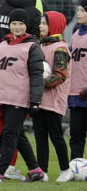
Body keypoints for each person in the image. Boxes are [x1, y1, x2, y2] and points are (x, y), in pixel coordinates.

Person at [0, 8, 45, 183]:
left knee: (10, 134)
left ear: (27, 26)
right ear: (9, 25)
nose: (17, 27)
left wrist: (35, 101)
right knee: (17, 135)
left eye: (20, 24)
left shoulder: (32, 47)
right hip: (2, 97)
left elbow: (37, 76)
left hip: (19, 98)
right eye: (14, 23)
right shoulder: (2, 45)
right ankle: (35, 170)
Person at [34, 11, 72, 182]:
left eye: (43, 23)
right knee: (39, 136)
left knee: (55, 135)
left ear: (54, 26)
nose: (40, 26)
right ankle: (42, 170)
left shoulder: (61, 48)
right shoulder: (40, 46)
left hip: (54, 99)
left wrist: (39, 82)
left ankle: (65, 169)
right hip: (39, 99)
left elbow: (60, 75)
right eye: (40, 23)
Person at [68, 0, 87, 163]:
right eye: (78, 10)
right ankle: (76, 166)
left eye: (82, 10)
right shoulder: (75, 34)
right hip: (76, 93)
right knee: (76, 134)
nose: (78, 13)